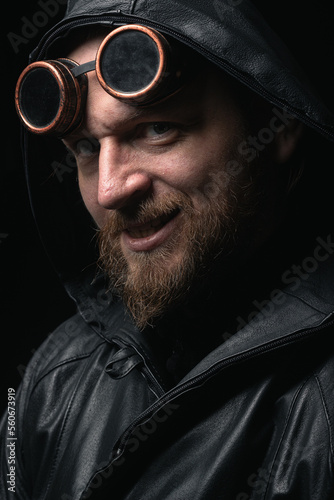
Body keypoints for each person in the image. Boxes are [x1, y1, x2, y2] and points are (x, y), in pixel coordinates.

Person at [1, 0, 334, 498]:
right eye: (87, 148)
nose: (111, 189)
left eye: (157, 130)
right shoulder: (54, 379)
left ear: (277, 123)